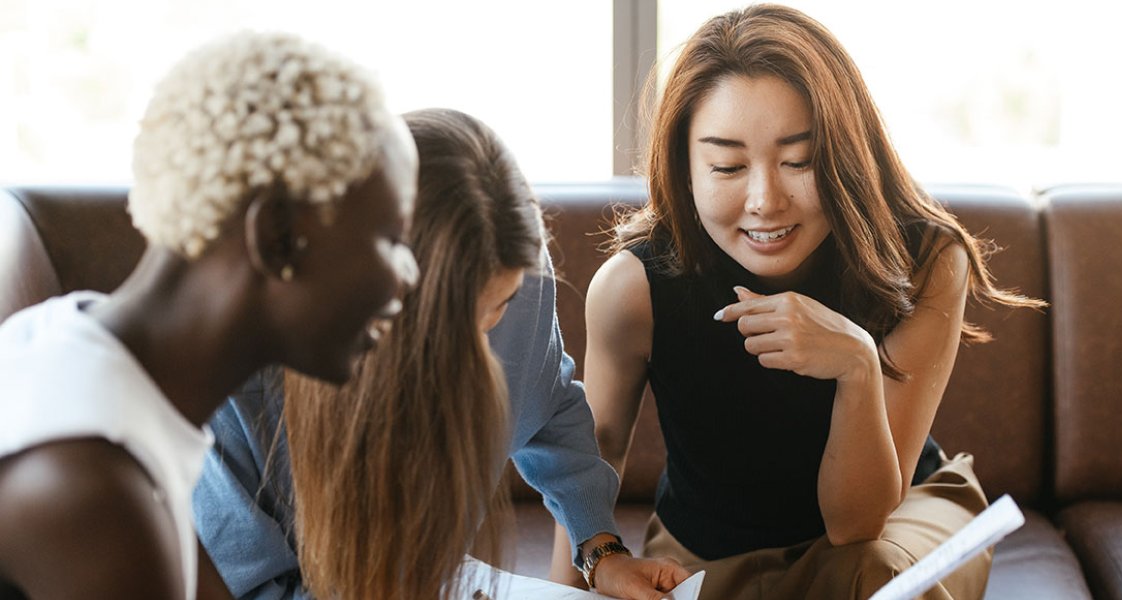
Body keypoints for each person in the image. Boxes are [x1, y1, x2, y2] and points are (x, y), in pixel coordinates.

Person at [549, 5, 1044, 599]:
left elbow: (856, 525)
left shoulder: (928, 261)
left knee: (864, 576)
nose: (765, 200)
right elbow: (595, 447)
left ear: (846, 156)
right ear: (684, 170)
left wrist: (857, 367)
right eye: (727, 165)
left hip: (892, 525)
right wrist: (567, 590)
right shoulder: (631, 288)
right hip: (705, 543)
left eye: (799, 161)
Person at [193, 108, 689, 600]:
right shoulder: (239, 375)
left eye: (498, 308)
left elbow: (550, 407)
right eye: (454, 325)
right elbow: (246, 585)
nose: (481, 352)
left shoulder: (520, 276)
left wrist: (600, 550)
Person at [0, 31, 417, 600]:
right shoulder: (90, 489)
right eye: (391, 238)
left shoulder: (81, 348)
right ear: (277, 238)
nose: (408, 275)